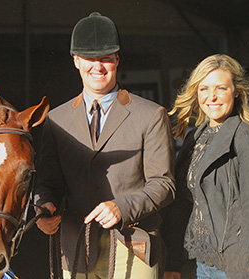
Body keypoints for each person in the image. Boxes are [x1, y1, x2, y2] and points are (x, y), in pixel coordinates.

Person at [33, 12, 175, 279]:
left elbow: (163, 185)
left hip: (133, 246)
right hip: (76, 247)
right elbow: (48, 182)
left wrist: (121, 207)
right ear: (76, 61)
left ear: (117, 60)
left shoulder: (151, 114)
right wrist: (43, 208)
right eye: (89, 59)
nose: (97, 66)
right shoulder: (55, 120)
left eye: (106, 58)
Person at [163, 54, 249, 279]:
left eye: (221, 88)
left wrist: (241, 273)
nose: (212, 97)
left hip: (232, 267)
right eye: (204, 89)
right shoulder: (194, 137)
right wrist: (173, 262)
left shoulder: (244, 138)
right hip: (204, 264)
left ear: (236, 91)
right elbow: (183, 203)